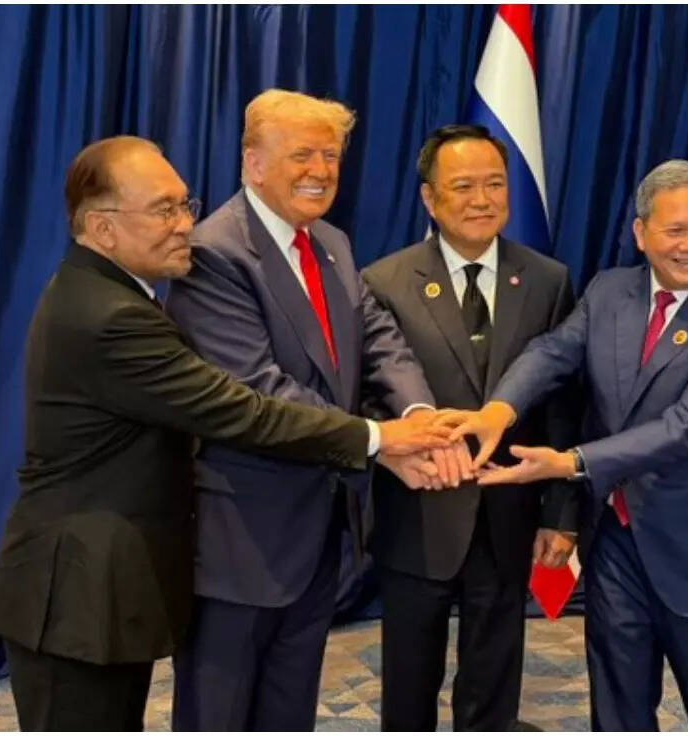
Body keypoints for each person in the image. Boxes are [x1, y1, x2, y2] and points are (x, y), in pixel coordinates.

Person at [0, 136, 449, 732]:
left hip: (100, 591)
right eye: (163, 210)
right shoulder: (112, 317)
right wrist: (379, 440)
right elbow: (243, 411)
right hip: (77, 597)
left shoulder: (110, 293)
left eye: (185, 205)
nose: (185, 225)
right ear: (103, 228)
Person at [164, 89, 469, 731]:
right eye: (302, 155)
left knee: (289, 709)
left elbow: (377, 336)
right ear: (253, 163)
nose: (321, 171)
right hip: (242, 538)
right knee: (219, 715)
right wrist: (382, 441)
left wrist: (417, 414)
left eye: (330, 156)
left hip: (319, 529)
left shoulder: (329, 240)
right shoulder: (214, 252)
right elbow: (259, 391)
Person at [447, 159, 688, 731]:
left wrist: (569, 463)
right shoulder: (609, 291)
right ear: (641, 232)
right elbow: (553, 352)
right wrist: (498, 411)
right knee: (617, 712)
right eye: (675, 230)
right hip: (616, 546)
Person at [360, 124, 583, 731]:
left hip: (509, 513)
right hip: (418, 513)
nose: (483, 200)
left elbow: (562, 405)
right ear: (429, 198)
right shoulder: (384, 281)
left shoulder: (548, 279)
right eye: (463, 187)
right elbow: (368, 395)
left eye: (495, 184)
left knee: (493, 677)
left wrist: (560, 514)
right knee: (409, 681)